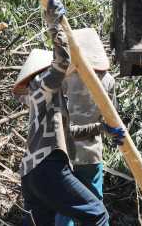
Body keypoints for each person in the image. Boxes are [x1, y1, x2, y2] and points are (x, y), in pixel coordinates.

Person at [15, 0, 122, 226]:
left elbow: (68, 132)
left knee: (40, 221)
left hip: (30, 173)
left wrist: (102, 127)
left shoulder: (41, 99)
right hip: (50, 167)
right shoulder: (44, 86)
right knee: (98, 214)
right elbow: (62, 60)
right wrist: (55, 24)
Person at [56, 28, 118, 226]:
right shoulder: (108, 81)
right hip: (91, 154)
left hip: (65, 153)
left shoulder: (62, 79)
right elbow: (112, 120)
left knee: (66, 204)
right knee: (94, 205)